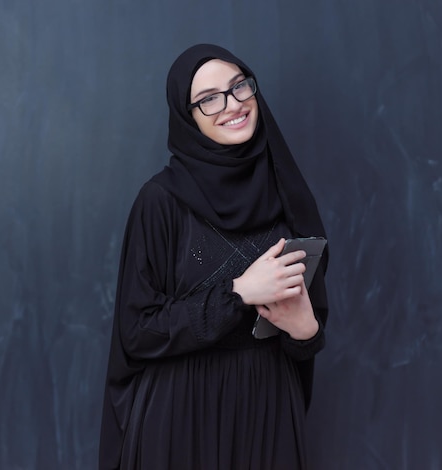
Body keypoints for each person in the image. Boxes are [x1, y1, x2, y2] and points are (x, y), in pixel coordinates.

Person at [99, 43, 329, 470]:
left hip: (267, 410)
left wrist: (305, 329)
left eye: (239, 86)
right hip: (180, 416)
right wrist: (239, 292)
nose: (232, 105)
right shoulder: (160, 201)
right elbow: (137, 331)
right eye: (209, 99)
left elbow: (308, 334)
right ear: (187, 118)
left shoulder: (288, 195)